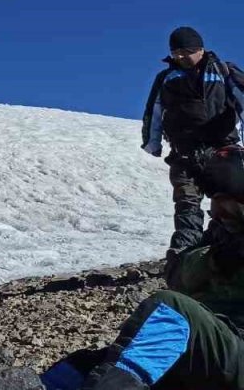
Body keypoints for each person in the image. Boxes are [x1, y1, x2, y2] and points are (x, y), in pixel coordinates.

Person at [41, 150, 244, 390]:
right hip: (208, 358)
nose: (220, 219)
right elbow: (177, 275)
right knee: (84, 365)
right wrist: (189, 206)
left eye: (229, 213)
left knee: (171, 309)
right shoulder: (218, 239)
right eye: (215, 213)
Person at [141, 26, 244, 260]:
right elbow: (154, 111)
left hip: (222, 151)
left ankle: (230, 249)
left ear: (200, 49)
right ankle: (183, 256)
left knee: (231, 202)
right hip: (184, 154)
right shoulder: (166, 79)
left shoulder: (223, 71)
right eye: (176, 52)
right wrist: (152, 143)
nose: (180, 57)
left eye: (186, 51)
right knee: (186, 202)